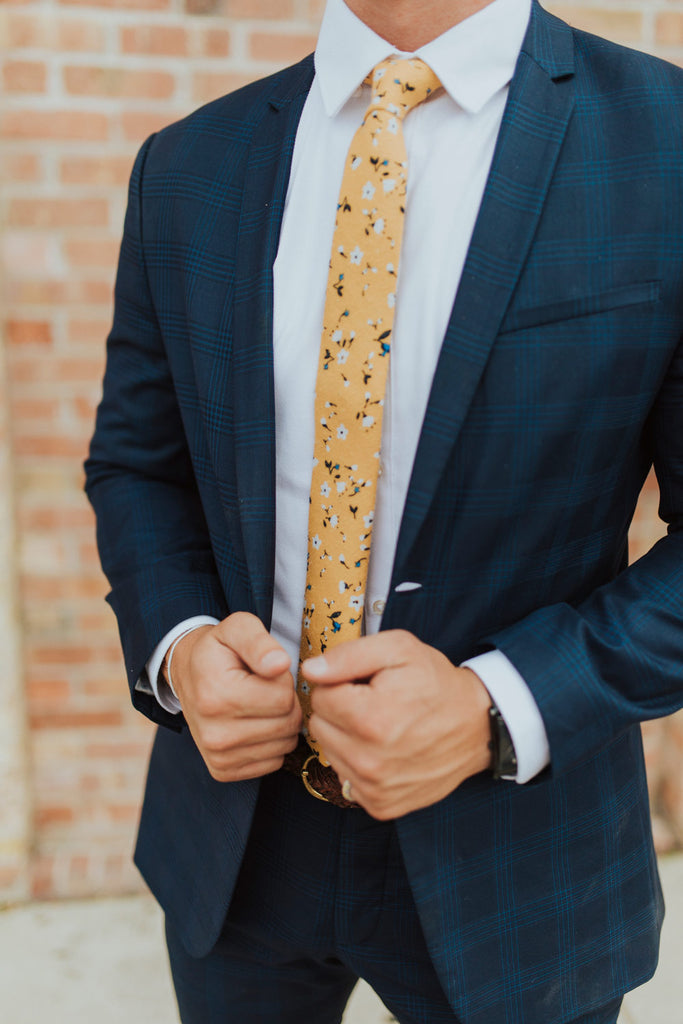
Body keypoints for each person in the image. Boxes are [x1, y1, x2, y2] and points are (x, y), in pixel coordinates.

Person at [84, 0, 683, 1021]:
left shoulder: (662, 143)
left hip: (521, 866)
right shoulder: (187, 162)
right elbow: (138, 466)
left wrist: (496, 704)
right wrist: (180, 645)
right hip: (232, 847)